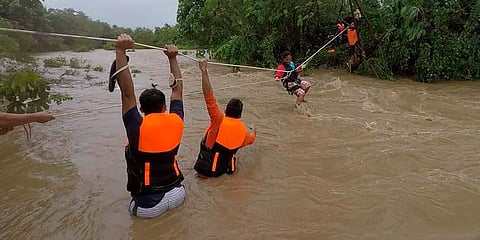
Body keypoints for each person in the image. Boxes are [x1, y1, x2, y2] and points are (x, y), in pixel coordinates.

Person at [110, 34, 185, 218]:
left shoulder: (137, 126)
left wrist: (120, 51)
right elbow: (177, 89)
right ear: (165, 107)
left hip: (149, 204)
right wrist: (173, 58)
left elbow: (127, 94)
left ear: (141, 109)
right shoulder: (177, 120)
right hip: (178, 193)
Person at [194, 59, 256, 178]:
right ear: (240, 115)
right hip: (223, 174)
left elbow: (209, 96)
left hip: (204, 173)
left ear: (226, 111)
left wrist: (204, 71)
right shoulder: (243, 132)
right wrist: (254, 129)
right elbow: (252, 138)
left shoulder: (218, 120)